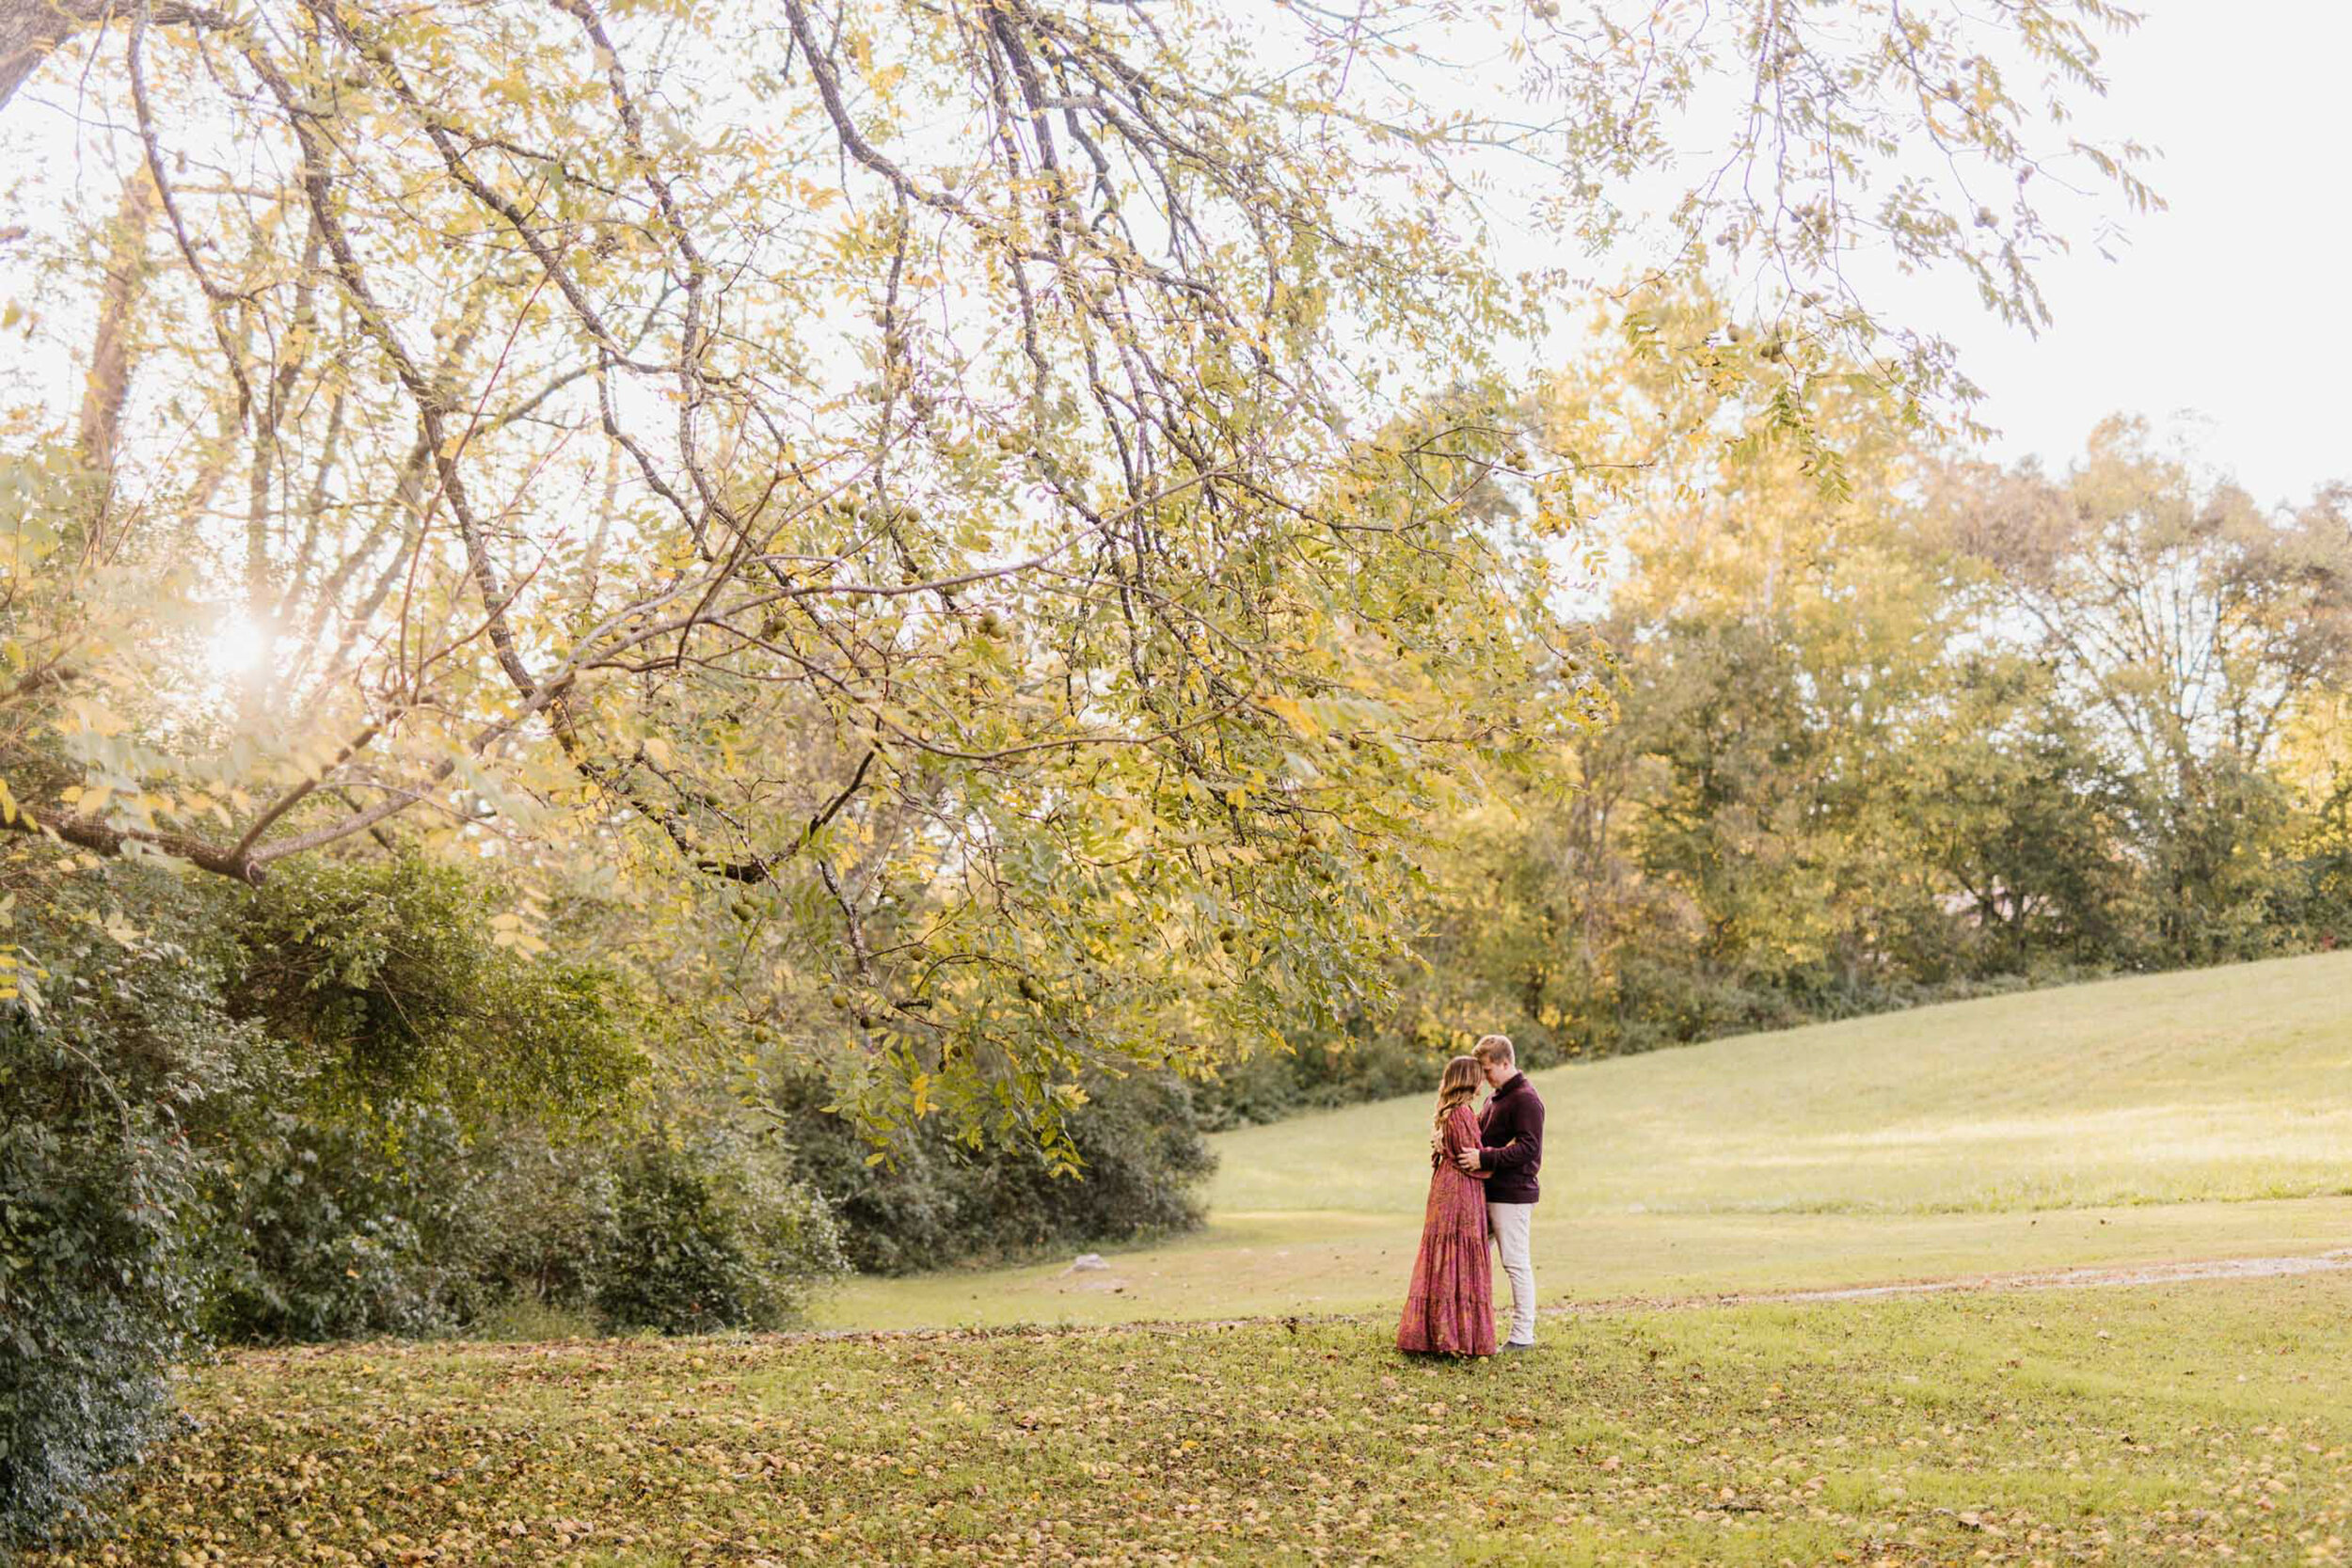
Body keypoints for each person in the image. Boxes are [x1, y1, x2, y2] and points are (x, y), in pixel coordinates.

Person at [1395, 1054, 1496, 1357]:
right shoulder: (1463, 1113)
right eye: (1479, 1076)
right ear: (1469, 1080)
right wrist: (1499, 1160)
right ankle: (1457, 1338)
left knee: (1443, 1258)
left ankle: (1436, 1332)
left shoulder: (1446, 1112)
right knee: (1459, 1256)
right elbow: (1471, 1159)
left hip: (1444, 1187)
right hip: (1460, 1191)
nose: (1482, 1082)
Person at [1454, 1034, 1544, 1352]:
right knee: (1470, 1253)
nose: (1485, 1077)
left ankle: (1523, 1335)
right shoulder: (1495, 1098)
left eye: (1488, 1069)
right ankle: (1465, 1326)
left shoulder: (1526, 1099)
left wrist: (1485, 1158)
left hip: (1513, 1194)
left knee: (1515, 1262)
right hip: (1487, 1191)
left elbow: (1529, 1149)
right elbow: (1478, 1135)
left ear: (1506, 1063)